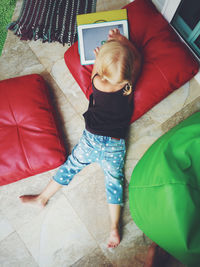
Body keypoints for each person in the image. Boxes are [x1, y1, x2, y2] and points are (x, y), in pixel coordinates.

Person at [20, 28, 142, 248]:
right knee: (114, 183)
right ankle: (114, 227)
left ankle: (43, 198)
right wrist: (125, 42)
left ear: (101, 67)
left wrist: (107, 51)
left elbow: (100, 65)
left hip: (91, 140)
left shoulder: (96, 80)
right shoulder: (127, 86)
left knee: (71, 167)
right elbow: (138, 58)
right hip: (114, 144)